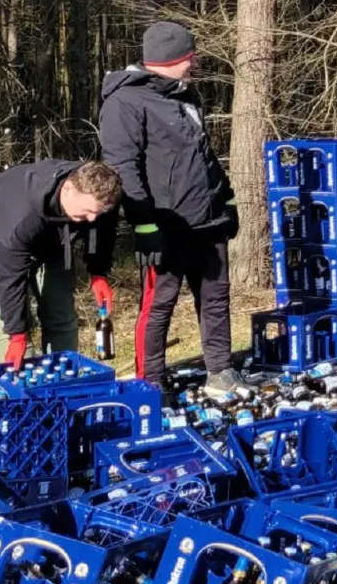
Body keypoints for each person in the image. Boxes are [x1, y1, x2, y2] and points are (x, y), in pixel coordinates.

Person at [100, 21, 241, 394]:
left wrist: (226, 199)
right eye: (189, 57)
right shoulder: (124, 102)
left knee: (215, 299)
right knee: (159, 306)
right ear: (171, 58)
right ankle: (152, 385)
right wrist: (145, 225)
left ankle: (220, 370)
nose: (194, 64)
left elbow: (205, 155)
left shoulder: (187, 97)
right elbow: (123, 168)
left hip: (208, 221)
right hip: (164, 225)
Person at [0, 161, 122, 366]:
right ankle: (23, 387)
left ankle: (63, 380)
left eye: (97, 213)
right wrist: (17, 333)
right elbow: (9, 278)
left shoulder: (102, 194)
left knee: (61, 312)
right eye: (86, 212)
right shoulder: (21, 217)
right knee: (11, 326)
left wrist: (98, 272)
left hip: (52, 238)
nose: (91, 219)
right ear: (68, 189)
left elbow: (102, 230)